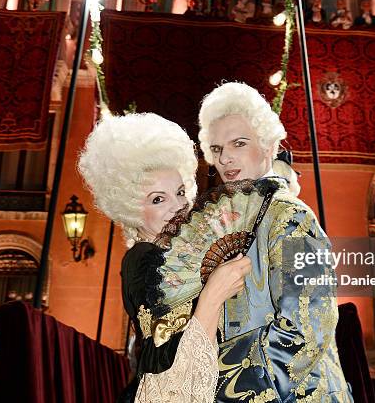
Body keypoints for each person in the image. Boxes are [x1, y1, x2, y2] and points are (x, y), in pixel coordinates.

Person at [78, 113, 252, 402]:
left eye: (180, 192)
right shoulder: (142, 259)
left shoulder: (178, 256)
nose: (178, 206)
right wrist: (215, 292)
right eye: (158, 199)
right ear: (132, 210)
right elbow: (169, 361)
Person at [198, 82, 353, 402]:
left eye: (238, 143)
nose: (225, 158)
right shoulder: (233, 222)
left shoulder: (290, 216)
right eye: (216, 149)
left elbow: (306, 329)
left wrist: (215, 381)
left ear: (269, 146)